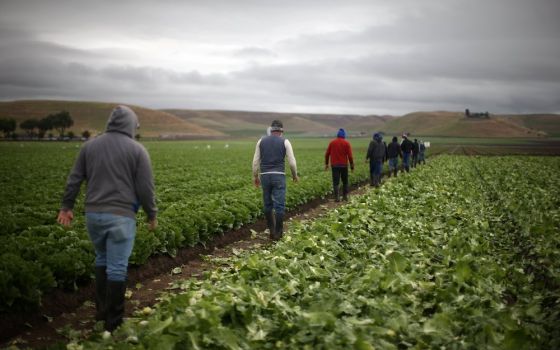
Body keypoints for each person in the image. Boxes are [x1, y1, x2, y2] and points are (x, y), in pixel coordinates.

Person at [57, 105, 157, 332]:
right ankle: (114, 322)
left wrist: (66, 207)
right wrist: (151, 214)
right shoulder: (137, 150)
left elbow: (74, 179)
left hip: (93, 215)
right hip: (121, 216)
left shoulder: (89, 146)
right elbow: (145, 188)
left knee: (101, 258)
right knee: (118, 266)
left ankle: (101, 313)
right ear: (132, 125)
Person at [252, 120, 298, 240]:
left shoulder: (261, 141)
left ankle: (272, 231)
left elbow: (255, 162)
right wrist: (294, 175)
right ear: (281, 131)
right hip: (279, 176)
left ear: (271, 130)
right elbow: (292, 163)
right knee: (279, 205)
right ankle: (279, 233)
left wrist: (255, 176)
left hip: (265, 176)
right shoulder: (285, 141)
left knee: (267, 204)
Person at [325, 128, 354, 202]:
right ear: (344, 135)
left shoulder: (332, 143)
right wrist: (352, 166)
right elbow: (350, 156)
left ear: (337, 135)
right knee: (345, 181)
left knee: (336, 182)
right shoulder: (347, 143)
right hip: (344, 165)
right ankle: (345, 197)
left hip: (334, 166)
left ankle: (337, 198)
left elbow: (327, 154)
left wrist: (326, 164)